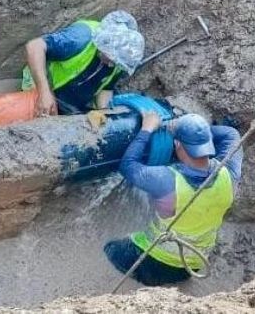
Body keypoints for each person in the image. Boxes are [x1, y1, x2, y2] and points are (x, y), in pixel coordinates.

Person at [104, 111, 243, 286]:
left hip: (151, 263)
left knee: (109, 249)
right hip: (192, 266)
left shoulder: (167, 180)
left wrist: (147, 129)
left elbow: (128, 165)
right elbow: (231, 134)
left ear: (177, 144)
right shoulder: (230, 174)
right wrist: (198, 132)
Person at [23, 11, 145, 115]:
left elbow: (106, 88)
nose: (112, 66)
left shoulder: (120, 59)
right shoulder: (80, 38)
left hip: (70, 103)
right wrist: (44, 93)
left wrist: (104, 112)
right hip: (42, 85)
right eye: (111, 60)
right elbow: (34, 46)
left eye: (116, 63)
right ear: (104, 45)